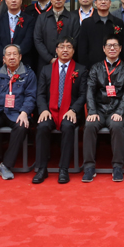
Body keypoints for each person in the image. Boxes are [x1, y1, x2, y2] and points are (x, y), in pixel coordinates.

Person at [0, 44, 37, 181]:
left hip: (17, 112)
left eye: (15, 54)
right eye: (8, 55)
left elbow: (31, 96)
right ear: (3, 59)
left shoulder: (28, 74)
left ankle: (6, 165)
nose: (12, 57)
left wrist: (24, 112)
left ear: (20, 57)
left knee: (21, 127)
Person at [82, 36, 124, 183]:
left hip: (117, 110)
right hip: (98, 109)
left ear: (120, 49)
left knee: (117, 126)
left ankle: (117, 166)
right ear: (103, 49)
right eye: (109, 45)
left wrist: (120, 112)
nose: (112, 48)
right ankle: (89, 167)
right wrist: (92, 111)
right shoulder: (96, 68)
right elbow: (90, 91)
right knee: (89, 125)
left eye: (115, 45)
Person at [33, 39, 85, 184]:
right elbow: (40, 94)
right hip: (50, 110)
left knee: (68, 126)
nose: (65, 50)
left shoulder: (81, 70)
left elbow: (83, 95)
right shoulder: (46, 69)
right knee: (42, 127)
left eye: (69, 47)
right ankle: (42, 169)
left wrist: (74, 110)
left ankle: (64, 169)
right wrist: (43, 110)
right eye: (62, 47)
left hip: (70, 111)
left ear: (73, 51)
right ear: (56, 50)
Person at [34, 0, 80, 69]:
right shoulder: (42, 17)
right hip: (45, 62)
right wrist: (49, 58)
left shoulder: (73, 18)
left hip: (67, 62)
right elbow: (37, 40)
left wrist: (63, 57)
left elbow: (75, 39)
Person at [0, 0, 36, 69]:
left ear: (21, 0)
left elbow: (28, 41)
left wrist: (16, 57)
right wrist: (5, 57)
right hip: (1, 62)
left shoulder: (30, 20)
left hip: (22, 61)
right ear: (6, 1)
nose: (13, 0)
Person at [78, 0, 124, 69]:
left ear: (110, 3)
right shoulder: (87, 23)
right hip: (92, 68)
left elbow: (122, 46)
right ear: (95, 3)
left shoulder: (118, 22)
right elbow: (82, 49)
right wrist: (85, 68)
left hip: (114, 67)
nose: (103, 2)